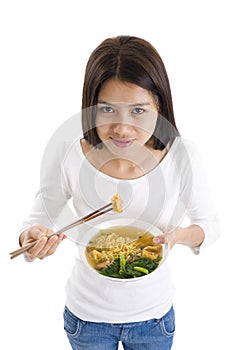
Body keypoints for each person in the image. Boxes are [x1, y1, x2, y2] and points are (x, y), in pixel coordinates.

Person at [17, 36, 219, 350]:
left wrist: (179, 236)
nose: (122, 129)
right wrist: (30, 240)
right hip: (87, 318)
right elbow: (36, 219)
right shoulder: (69, 152)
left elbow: (210, 226)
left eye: (138, 111)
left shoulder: (183, 155)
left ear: (159, 106)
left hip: (154, 319)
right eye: (108, 109)